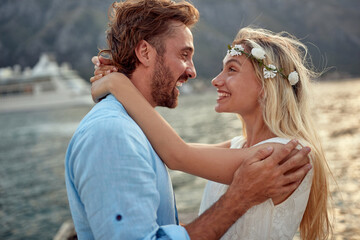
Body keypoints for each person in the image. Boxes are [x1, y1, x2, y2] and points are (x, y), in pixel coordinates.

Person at [65, 0, 311, 239]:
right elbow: (173, 152)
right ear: (144, 52)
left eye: (232, 69)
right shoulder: (113, 131)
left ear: (267, 87)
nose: (208, 78)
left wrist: (117, 82)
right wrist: (116, 81)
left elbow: (177, 154)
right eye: (184, 54)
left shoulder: (287, 155)